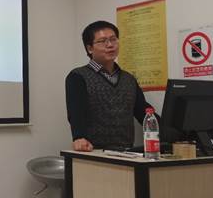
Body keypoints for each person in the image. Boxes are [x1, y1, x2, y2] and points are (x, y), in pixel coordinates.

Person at [65, 20, 156, 151]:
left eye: (113, 39)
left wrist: (171, 131)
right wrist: (79, 137)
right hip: (93, 152)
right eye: (102, 41)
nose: (110, 45)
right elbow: (76, 112)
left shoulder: (129, 79)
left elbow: (143, 112)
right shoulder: (78, 76)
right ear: (90, 48)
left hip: (126, 152)